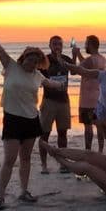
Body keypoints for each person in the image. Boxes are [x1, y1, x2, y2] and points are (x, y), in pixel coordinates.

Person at [0, 8, 63, 210]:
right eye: (30, 59)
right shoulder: (10, 66)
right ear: (23, 58)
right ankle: (0, 196)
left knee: (26, 158)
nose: (32, 63)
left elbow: (51, 84)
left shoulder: (38, 76)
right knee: (9, 159)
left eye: (36, 61)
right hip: (13, 119)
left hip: (31, 120)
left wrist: (61, 85)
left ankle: (24, 191)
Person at [38, 35, 74, 174]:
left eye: (59, 44)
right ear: (50, 45)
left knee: (62, 133)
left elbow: (75, 71)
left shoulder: (65, 59)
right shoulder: (44, 60)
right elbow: (35, 75)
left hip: (64, 101)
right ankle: (43, 164)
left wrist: (75, 55)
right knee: (44, 134)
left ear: (62, 46)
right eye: (54, 44)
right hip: (48, 101)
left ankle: (63, 164)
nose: (57, 46)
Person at [71, 35, 106, 154]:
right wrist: (80, 55)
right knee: (99, 125)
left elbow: (74, 70)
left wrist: (74, 55)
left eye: (86, 43)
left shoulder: (90, 60)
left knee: (88, 126)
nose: (85, 45)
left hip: (87, 99)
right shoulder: (102, 59)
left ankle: (88, 151)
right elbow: (86, 66)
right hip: (99, 97)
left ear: (90, 45)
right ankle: (101, 150)